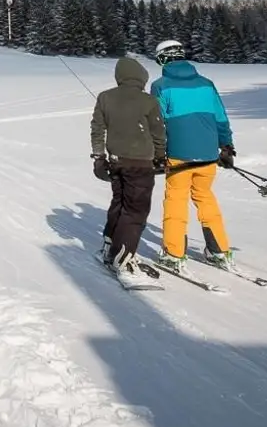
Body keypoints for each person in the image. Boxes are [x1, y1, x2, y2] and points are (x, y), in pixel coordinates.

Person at [150, 40, 237, 273]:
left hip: (179, 156)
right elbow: (220, 117)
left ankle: (173, 254)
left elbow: (157, 124)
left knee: (176, 201)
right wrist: (226, 146)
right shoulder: (207, 84)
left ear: (163, 59)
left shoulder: (160, 86)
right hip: (208, 154)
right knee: (205, 198)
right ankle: (219, 251)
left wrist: (157, 154)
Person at [89, 56, 167, 281]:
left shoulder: (105, 97)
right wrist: (161, 157)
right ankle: (123, 258)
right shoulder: (149, 100)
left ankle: (110, 245)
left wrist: (98, 158)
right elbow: (158, 132)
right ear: (142, 77)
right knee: (135, 211)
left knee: (120, 203)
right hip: (140, 164)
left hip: (115, 162)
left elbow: (97, 129)